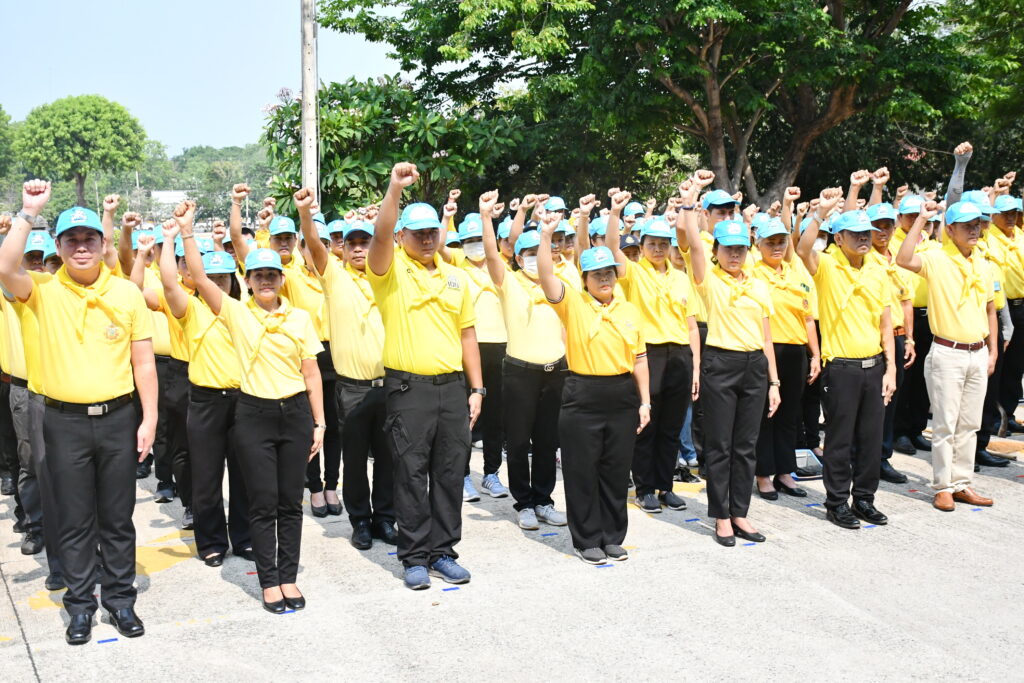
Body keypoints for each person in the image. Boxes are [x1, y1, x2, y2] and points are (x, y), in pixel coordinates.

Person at [0, 180, 157, 645]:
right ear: (59, 246)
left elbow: (144, 362)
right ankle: (81, 606)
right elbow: (5, 266)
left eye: (90, 238)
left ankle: (121, 600)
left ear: (103, 244)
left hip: (117, 419)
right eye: (72, 240)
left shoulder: (126, 293)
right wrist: (28, 212)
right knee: (73, 519)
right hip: (63, 422)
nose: (82, 247)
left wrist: (149, 419)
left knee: (117, 518)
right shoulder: (42, 290)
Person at [178, 200, 324, 614]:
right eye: (258, 275)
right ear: (247, 279)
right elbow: (201, 278)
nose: (265, 281)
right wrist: (187, 231)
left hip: (295, 415)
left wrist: (320, 423)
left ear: (281, 278)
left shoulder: (299, 319)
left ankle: (289, 576)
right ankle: (269, 581)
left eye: (271, 275)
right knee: (262, 502)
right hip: (254, 417)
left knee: (290, 503)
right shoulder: (237, 314)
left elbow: (311, 374)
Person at [367, 163, 483, 590]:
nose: (427, 239)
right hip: (408, 389)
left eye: (433, 232)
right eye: (418, 233)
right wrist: (394, 189)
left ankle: (443, 552)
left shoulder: (456, 278)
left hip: (451, 388)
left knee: (451, 472)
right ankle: (414, 557)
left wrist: (477, 388)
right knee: (411, 473)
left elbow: (467, 335)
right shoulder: (390, 270)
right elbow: (380, 236)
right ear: (403, 237)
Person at [535, 209, 650, 564]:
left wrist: (645, 401)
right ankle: (586, 539)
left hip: (622, 394)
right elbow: (545, 275)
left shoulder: (629, 310)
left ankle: (612, 536)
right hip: (582, 393)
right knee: (582, 470)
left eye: (609, 273)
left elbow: (640, 359)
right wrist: (546, 236)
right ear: (585, 278)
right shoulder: (573, 303)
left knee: (615, 469)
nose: (604, 279)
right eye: (596, 274)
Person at [677, 171, 779, 547]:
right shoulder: (709, 279)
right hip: (720, 364)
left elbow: (766, 338)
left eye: (740, 249)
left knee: (746, 445)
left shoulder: (758, 285)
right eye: (728, 248)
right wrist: (691, 201)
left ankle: (740, 512)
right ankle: (721, 515)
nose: (735, 255)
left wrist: (774, 382)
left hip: (754, 367)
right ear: (717, 250)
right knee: (720, 445)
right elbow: (693, 244)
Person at [294, 189, 397, 551]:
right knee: (353, 461)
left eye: (364, 242)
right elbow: (314, 245)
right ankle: (361, 521)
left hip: (391, 385)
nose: (357, 249)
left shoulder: (389, 278)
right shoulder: (335, 278)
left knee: (388, 459)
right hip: (353, 388)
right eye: (351, 243)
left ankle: (385, 518)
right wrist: (305, 214)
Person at [145, 227, 253, 568]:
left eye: (224, 278)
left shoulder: (244, 309)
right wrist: (172, 238)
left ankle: (245, 538)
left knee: (244, 475)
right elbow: (168, 282)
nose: (218, 284)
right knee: (205, 476)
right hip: (205, 402)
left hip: (243, 401)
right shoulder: (190, 308)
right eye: (212, 278)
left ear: (234, 281)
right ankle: (212, 542)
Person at [797, 188, 896, 530]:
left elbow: (886, 323)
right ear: (839, 238)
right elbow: (802, 249)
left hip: (874, 366)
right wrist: (820, 213)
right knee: (839, 440)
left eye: (866, 233)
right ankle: (837, 501)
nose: (864, 238)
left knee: (871, 438)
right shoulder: (827, 265)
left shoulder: (877, 269)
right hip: (841, 369)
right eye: (855, 234)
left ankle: (864, 499)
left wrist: (890, 369)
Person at [896, 200, 997, 511]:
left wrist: (992, 350)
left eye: (977, 224)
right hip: (947, 352)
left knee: (970, 424)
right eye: (967, 226)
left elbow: (990, 309)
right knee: (945, 424)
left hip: (977, 352)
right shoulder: (937, 258)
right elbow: (904, 258)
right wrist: (922, 219)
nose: (974, 230)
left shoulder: (983, 262)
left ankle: (962, 482)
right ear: (950, 230)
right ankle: (942, 486)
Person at [478, 190, 568, 530]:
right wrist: (486, 217)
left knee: (547, 441)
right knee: (517, 442)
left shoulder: (557, 282)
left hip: (555, 371)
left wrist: (547, 235)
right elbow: (491, 254)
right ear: (517, 257)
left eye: (537, 253)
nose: (533, 259)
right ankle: (524, 503)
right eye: (527, 254)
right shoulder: (509, 282)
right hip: (519, 372)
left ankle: (544, 500)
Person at [605, 201, 699, 514]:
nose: (658, 249)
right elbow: (612, 248)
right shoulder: (633, 272)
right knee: (647, 425)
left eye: (663, 244)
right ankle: (644, 488)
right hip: (650, 354)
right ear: (642, 246)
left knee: (671, 427)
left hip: (680, 355)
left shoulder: (681, 277)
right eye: (652, 244)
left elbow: (691, 324)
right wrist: (615, 215)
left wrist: (695, 367)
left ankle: (665, 486)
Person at [750, 216, 820, 500]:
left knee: (790, 414)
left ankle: (784, 471)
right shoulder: (753, 273)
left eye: (781, 241)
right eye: (770, 242)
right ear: (758, 245)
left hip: (795, 350)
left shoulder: (795, 273)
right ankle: (763, 474)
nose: (777, 247)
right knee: (766, 414)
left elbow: (808, 318)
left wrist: (815, 355)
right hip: (768, 349)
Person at [451, 211, 509, 501]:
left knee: (496, 414)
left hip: (500, 345)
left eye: (479, 239)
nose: (475, 244)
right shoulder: (454, 266)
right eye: (469, 240)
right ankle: (462, 475)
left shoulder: (499, 266)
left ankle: (491, 473)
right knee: (466, 415)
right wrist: (448, 215)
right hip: (468, 348)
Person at [864, 201, 916, 484]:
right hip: (873, 339)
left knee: (890, 400)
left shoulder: (898, 259)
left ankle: (882, 457)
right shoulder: (864, 258)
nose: (882, 232)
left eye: (887, 226)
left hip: (897, 337)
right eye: (877, 226)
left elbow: (906, 302)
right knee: (871, 403)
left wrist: (909, 339)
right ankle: (863, 457)